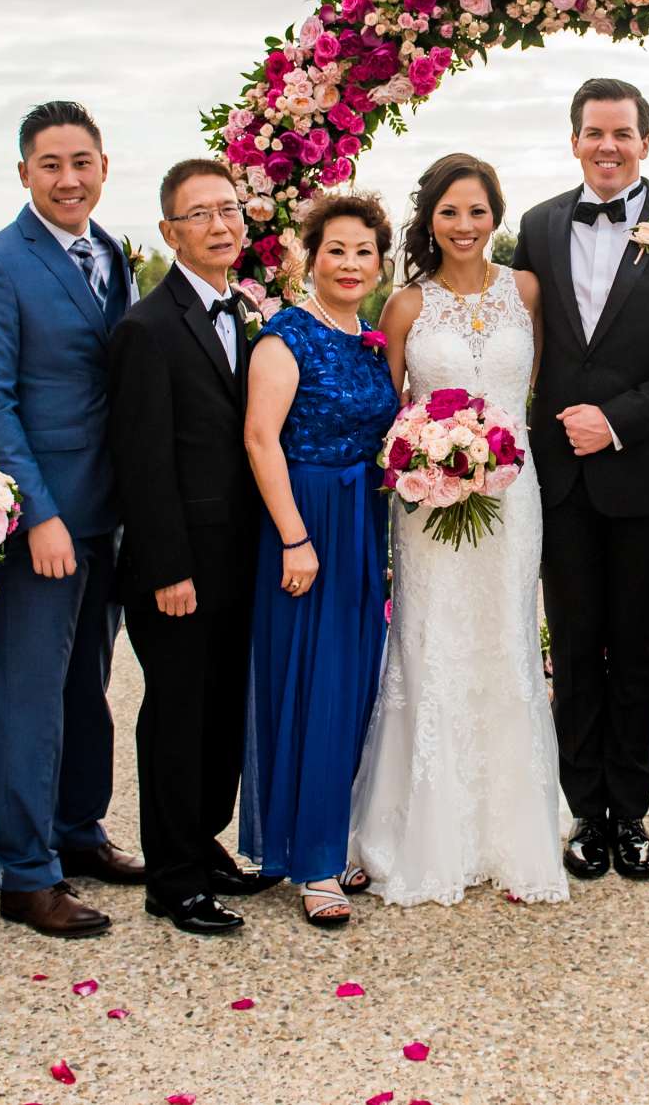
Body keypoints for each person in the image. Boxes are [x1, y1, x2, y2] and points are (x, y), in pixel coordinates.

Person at [510, 78, 649, 884]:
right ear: (574, 141)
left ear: (646, 142)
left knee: (634, 646)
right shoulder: (534, 226)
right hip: (559, 475)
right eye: (594, 133)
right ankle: (582, 811)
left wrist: (621, 418)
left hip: (642, 472)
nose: (609, 146)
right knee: (570, 640)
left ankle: (630, 814)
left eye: (623, 134)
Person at [350, 154, 568, 907]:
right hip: (427, 507)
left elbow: (533, 385)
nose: (464, 226)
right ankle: (422, 830)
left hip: (515, 497)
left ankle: (514, 827)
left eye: (476, 211)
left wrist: (492, 455)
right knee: (433, 641)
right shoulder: (406, 305)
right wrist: (433, 462)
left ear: (495, 214)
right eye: (449, 212)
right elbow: (386, 416)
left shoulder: (528, 290)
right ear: (430, 219)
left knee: (506, 635)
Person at [0, 101, 142, 939]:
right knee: (31, 693)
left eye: (83, 162)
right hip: (43, 520)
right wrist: (39, 515)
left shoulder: (112, 254)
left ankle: (79, 832)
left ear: (104, 167)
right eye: (51, 164)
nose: (69, 179)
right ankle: (27, 874)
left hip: (110, 513)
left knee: (86, 688)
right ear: (23, 173)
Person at [108, 160, 275, 936]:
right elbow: (141, 463)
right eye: (200, 214)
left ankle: (204, 841)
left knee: (220, 710)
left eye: (229, 209)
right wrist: (167, 568)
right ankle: (170, 879)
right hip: (177, 565)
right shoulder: (146, 328)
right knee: (176, 715)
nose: (220, 224)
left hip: (239, 553)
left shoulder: (240, 311)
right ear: (170, 232)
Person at [240, 192, 400, 927]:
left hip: (362, 519)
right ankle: (310, 864)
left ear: (380, 262)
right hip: (305, 521)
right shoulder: (286, 336)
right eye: (336, 249)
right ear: (310, 255)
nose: (349, 263)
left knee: (355, 685)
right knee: (313, 686)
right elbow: (259, 440)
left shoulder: (367, 336)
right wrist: (297, 538)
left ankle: (331, 840)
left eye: (363, 251)